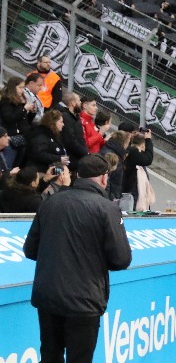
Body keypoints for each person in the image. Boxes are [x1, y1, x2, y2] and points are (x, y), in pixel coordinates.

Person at [23, 154, 132, 363]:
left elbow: (30, 249)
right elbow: (121, 259)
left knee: (49, 355)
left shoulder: (50, 202)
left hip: (49, 295)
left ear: (77, 175)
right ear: (103, 178)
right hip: (84, 299)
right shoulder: (107, 208)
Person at [121, 131, 155, 211]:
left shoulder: (132, 152)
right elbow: (148, 160)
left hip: (132, 193)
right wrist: (148, 140)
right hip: (132, 194)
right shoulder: (133, 153)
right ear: (143, 145)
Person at [57, 91, 88, 172]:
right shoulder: (66, 117)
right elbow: (70, 141)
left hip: (75, 158)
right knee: (57, 176)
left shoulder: (76, 117)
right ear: (72, 103)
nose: (80, 103)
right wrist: (84, 152)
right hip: (65, 158)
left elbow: (80, 138)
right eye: (78, 101)